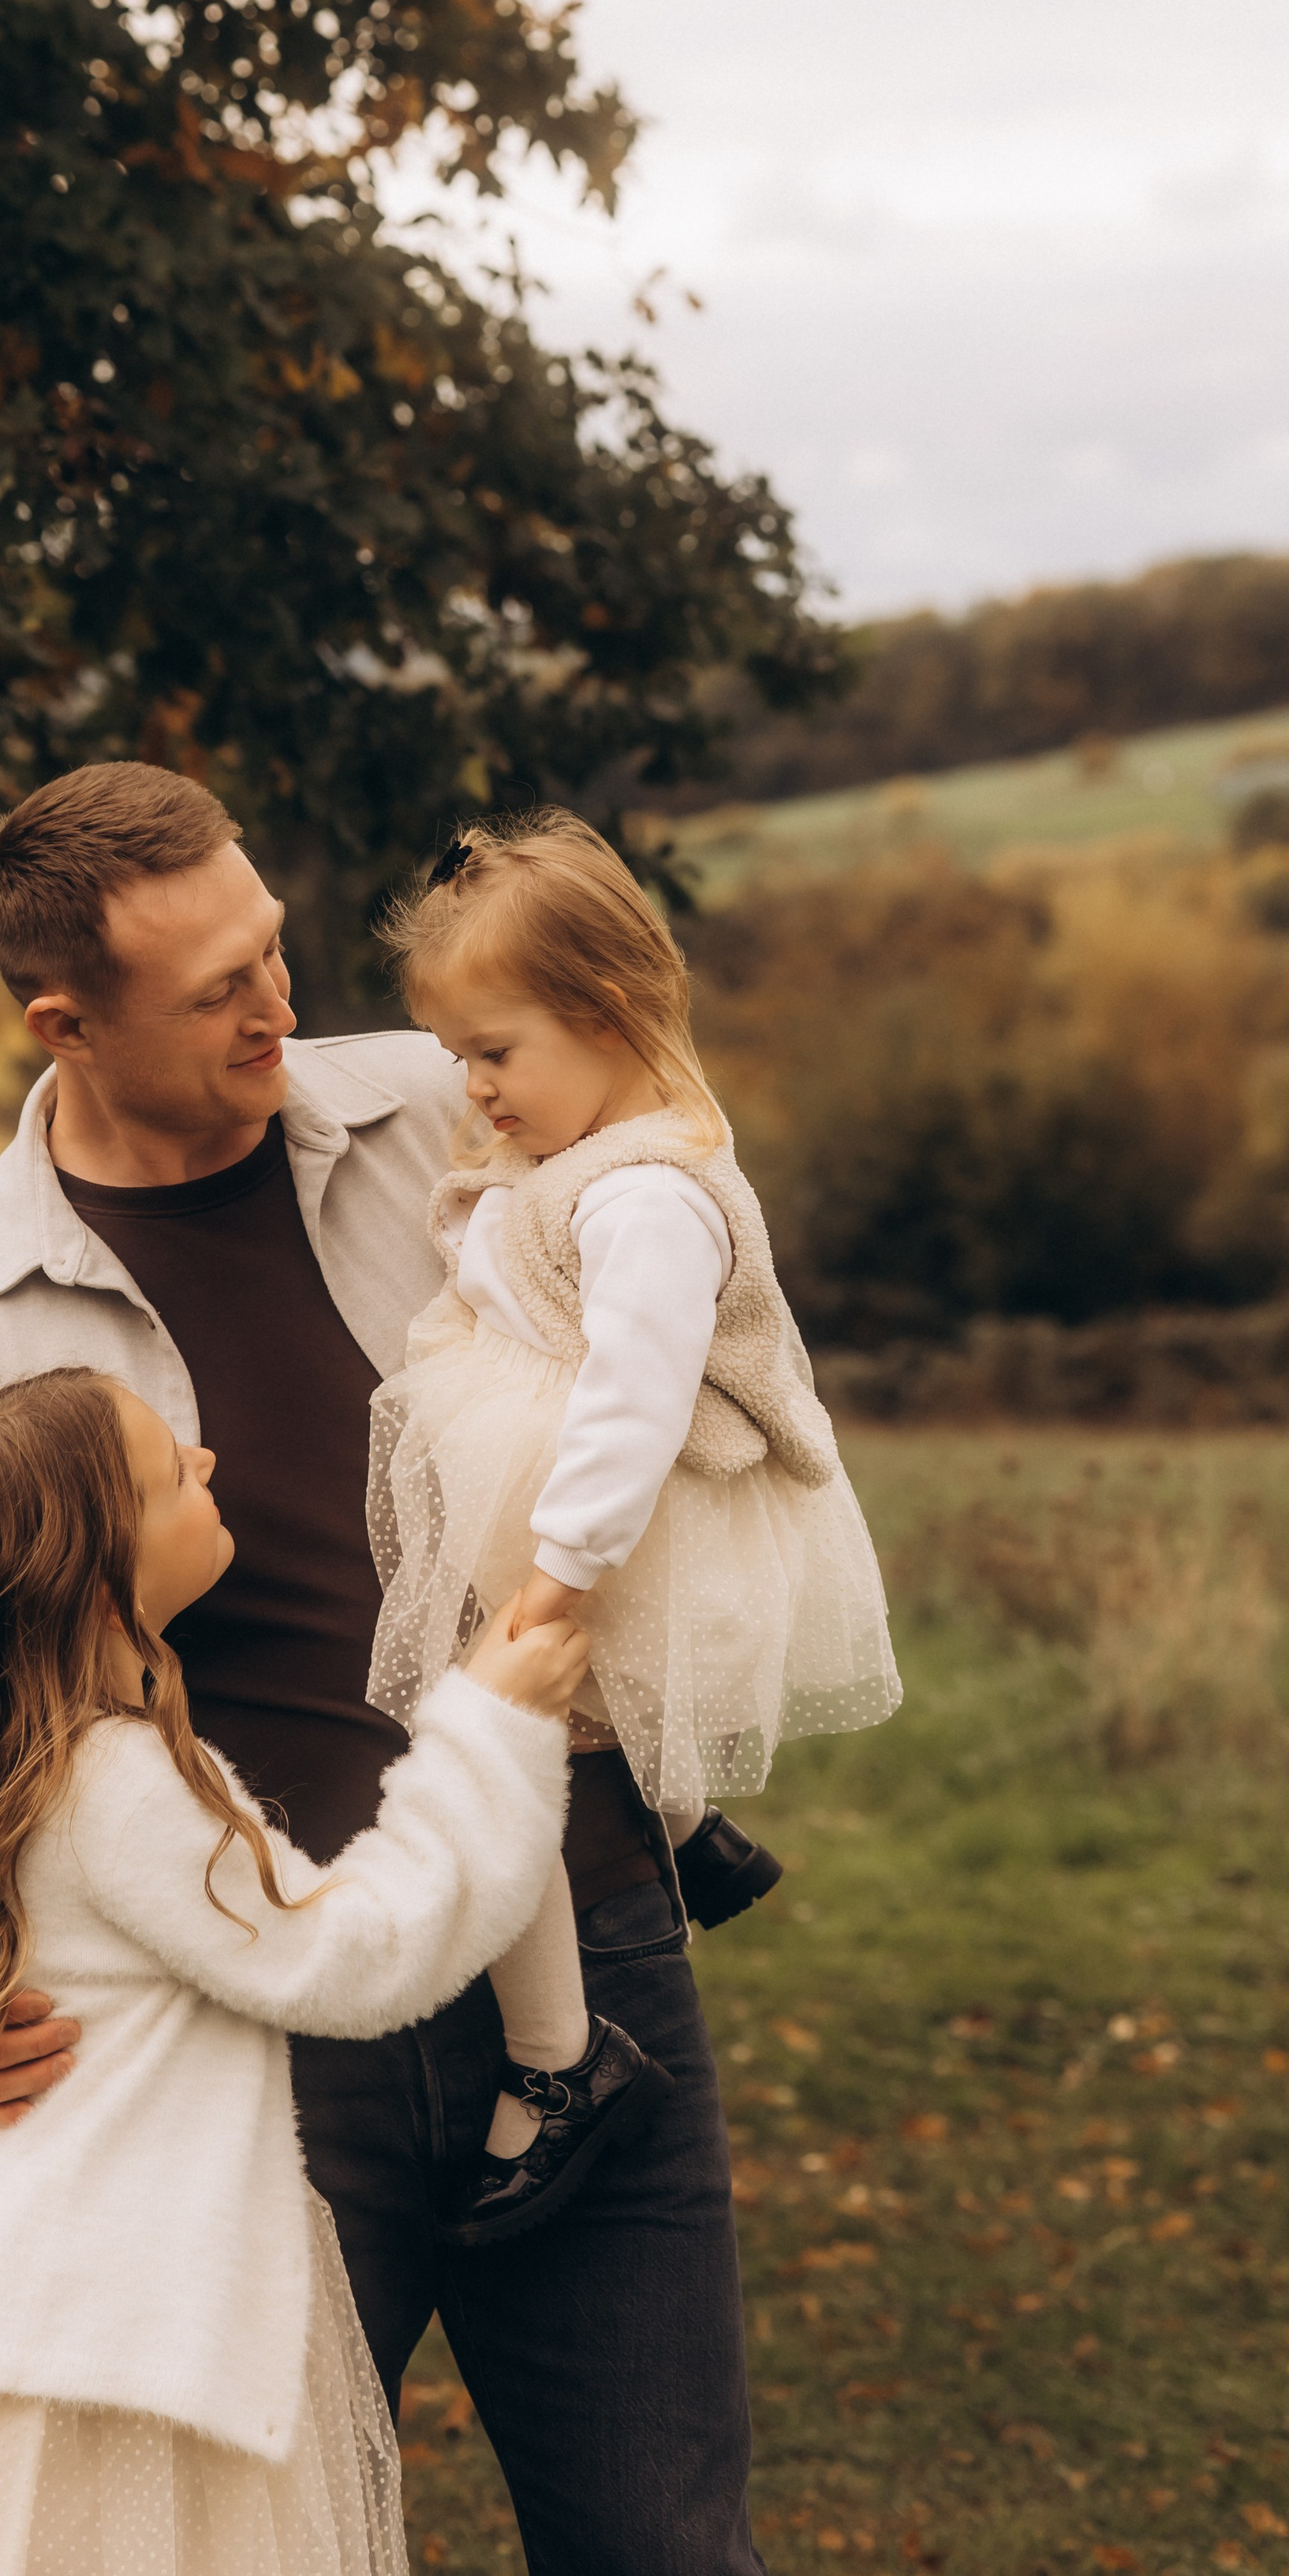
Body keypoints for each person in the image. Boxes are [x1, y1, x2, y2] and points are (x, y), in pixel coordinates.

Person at [0, 758, 784, 2576]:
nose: (276, 1003)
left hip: (584, 1939)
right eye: (215, 991)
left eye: (269, 948)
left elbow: (675, 1236)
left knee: (669, 2563)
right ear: (62, 1021)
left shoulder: (450, 1100)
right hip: (259, 2043)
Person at [0, 1363, 584, 2576]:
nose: (207, 1463)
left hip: (41, 2303)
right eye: (171, 1473)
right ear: (103, 1583)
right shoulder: (117, 1787)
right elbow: (352, 1956)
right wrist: (491, 1729)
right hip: (125, 2336)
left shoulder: (17, 1767)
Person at [363, 812, 902, 2242]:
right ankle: (690, 1826)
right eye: (460, 1056)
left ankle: (560, 2059)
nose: (473, 1088)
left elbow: (636, 1397)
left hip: (587, 1517)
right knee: (579, 1722)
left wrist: (560, 1575)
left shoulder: (650, 1197)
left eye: (494, 1052)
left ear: (604, 1015)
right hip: (547, 1498)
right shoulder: (585, 1155)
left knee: (493, 1751)